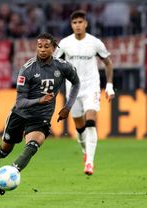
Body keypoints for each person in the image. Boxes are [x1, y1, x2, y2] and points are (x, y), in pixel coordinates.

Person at [0, 33, 80, 196]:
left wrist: (68, 107)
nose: (42, 50)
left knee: (33, 146)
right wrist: (39, 100)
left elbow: (76, 82)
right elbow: (20, 101)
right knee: (5, 149)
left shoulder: (63, 66)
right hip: (20, 114)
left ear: (54, 48)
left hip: (41, 117)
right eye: (39, 46)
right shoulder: (27, 69)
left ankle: (8, 177)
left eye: (46, 46)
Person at [53, 10, 115, 175]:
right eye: (74, 23)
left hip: (91, 88)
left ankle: (89, 162)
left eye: (80, 22)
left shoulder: (95, 43)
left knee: (91, 121)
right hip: (72, 90)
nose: (78, 25)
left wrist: (109, 85)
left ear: (85, 24)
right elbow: (53, 64)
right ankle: (85, 151)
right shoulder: (65, 44)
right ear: (71, 25)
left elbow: (108, 63)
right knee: (79, 129)